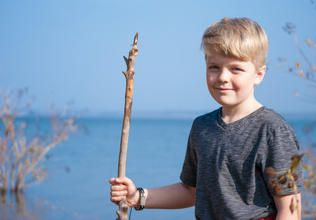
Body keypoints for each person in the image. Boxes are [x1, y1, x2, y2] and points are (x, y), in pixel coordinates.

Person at [109, 17, 302, 220]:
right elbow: (192, 191)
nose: (223, 77)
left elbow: (290, 209)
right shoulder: (202, 127)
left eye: (236, 69)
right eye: (214, 67)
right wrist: (138, 196)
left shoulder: (272, 130)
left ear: (258, 75)